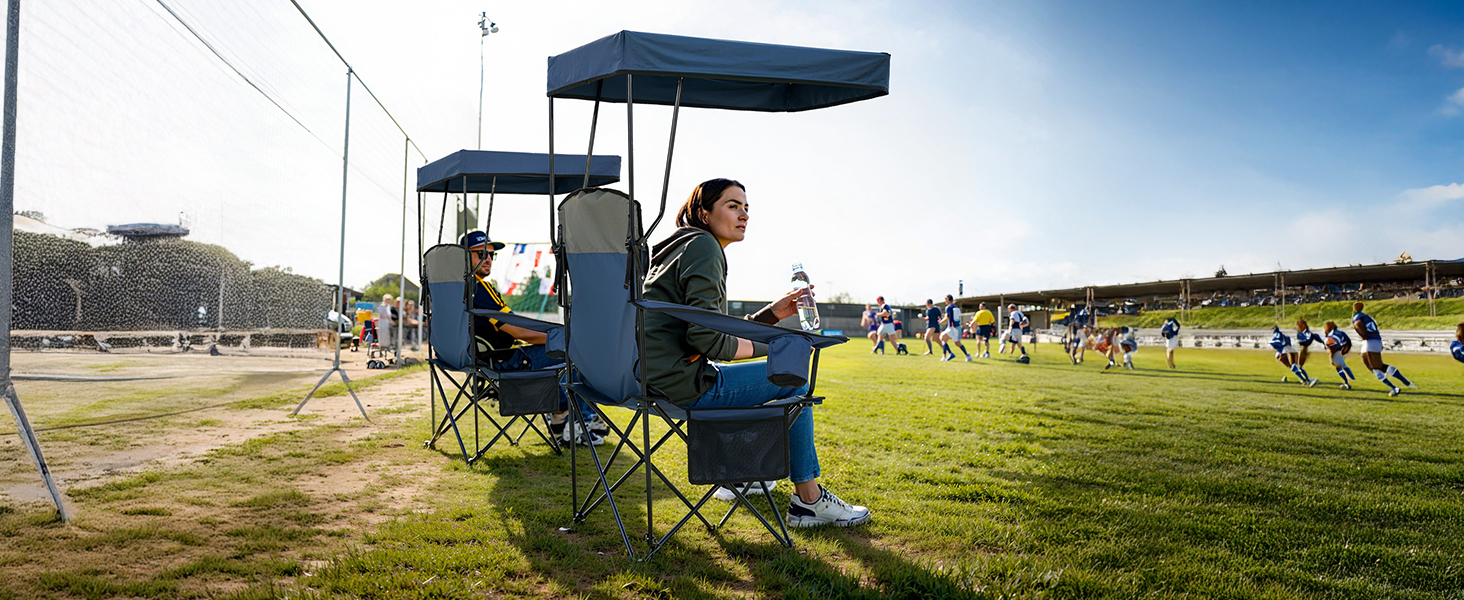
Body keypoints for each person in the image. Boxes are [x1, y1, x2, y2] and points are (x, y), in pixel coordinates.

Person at [643, 178, 870, 527]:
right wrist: (779, 345)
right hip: (683, 383)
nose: (744, 215)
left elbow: (706, 325)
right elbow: (708, 339)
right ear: (703, 213)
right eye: (733, 206)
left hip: (650, 376)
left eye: (746, 207)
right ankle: (808, 500)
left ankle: (741, 473)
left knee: (778, 373)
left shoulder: (677, 248)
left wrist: (771, 316)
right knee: (792, 379)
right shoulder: (704, 247)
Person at [462, 230, 606, 446]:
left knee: (563, 351)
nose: (488, 259)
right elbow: (519, 332)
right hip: (503, 361)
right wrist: (560, 340)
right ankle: (579, 425)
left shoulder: (457, 287)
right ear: (462, 257)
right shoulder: (479, 288)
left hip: (481, 358)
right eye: (480, 254)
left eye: (491, 255)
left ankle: (561, 415)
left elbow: (513, 328)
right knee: (575, 352)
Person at [1352, 302, 1416, 396]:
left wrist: (1363, 335)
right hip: (1373, 341)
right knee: (1372, 367)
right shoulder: (1366, 317)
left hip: (1370, 341)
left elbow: (1358, 325)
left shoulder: (1358, 317)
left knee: (1377, 367)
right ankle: (1400, 385)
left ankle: (1402, 385)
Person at [1323, 321, 1356, 389]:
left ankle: (1347, 381)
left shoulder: (1331, 335)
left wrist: (1331, 356)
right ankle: (1352, 379)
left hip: (1336, 351)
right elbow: (1348, 341)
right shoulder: (1340, 333)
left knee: (1339, 367)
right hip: (1342, 350)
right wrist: (1345, 350)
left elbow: (1332, 347)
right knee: (1343, 365)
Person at [940, 295, 972, 362]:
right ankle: (967, 355)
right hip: (957, 327)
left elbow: (947, 317)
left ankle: (946, 356)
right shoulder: (957, 308)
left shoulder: (948, 308)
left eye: (946, 299)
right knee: (958, 343)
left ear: (949, 300)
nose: (945, 301)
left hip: (951, 327)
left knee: (942, 338)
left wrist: (940, 322)